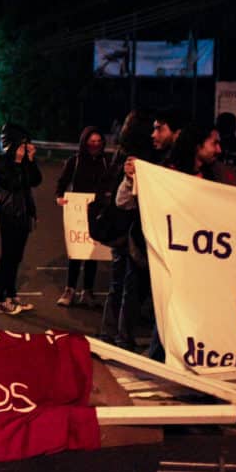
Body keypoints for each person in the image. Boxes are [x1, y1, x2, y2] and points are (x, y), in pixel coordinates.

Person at [98, 109, 155, 350]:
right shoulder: (138, 158)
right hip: (129, 225)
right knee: (128, 285)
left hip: (117, 225)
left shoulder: (121, 153)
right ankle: (121, 336)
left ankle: (108, 333)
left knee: (118, 284)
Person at [54, 126, 109, 308]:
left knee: (93, 252)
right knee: (76, 252)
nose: (96, 145)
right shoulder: (74, 161)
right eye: (92, 142)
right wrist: (60, 197)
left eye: (99, 142)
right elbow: (62, 182)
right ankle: (70, 289)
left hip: (97, 211)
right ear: (85, 143)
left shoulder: (105, 163)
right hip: (77, 211)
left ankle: (88, 291)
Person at [0, 122, 42, 316]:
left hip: (24, 215)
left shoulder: (22, 162)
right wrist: (20, 162)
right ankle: (1, 299)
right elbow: (12, 184)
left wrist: (30, 159)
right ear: (12, 144)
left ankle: (12, 295)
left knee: (17, 257)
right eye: (21, 145)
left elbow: (35, 180)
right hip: (9, 214)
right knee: (8, 257)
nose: (24, 148)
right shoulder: (1, 162)